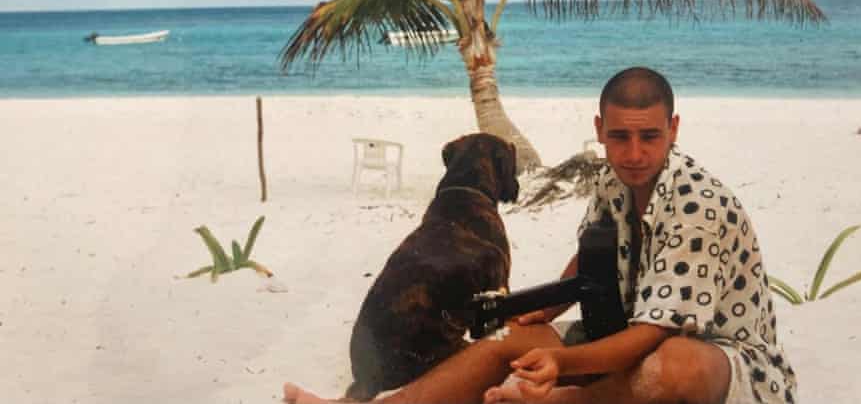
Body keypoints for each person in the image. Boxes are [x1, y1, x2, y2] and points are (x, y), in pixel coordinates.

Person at [283, 67, 796, 404]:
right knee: (509, 334)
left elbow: (656, 332)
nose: (634, 152)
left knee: (674, 366)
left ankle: (551, 401)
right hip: (624, 333)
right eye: (620, 136)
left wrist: (563, 363)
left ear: (674, 128)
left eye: (649, 136)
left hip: (725, 363)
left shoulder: (696, 205)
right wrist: (546, 310)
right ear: (600, 130)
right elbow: (591, 253)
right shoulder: (612, 179)